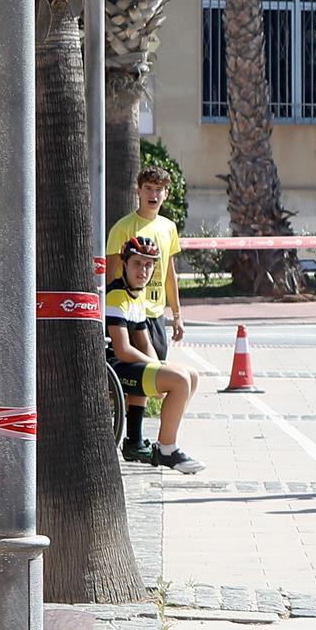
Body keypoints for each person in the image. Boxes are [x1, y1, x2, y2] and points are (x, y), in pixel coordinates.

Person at [106, 231, 205, 474]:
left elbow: (144, 342)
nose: (143, 271)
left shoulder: (136, 295)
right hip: (112, 367)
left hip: (127, 363)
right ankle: (166, 449)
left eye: (148, 265)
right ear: (125, 264)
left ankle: (136, 442)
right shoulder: (116, 295)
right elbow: (123, 349)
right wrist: (158, 368)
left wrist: (158, 365)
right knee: (179, 380)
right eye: (137, 264)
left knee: (191, 375)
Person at [107, 166, 185, 461]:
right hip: (127, 309)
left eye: (159, 190)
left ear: (166, 194)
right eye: (148, 189)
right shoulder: (124, 227)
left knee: (152, 375)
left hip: (153, 312)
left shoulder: (168, 228)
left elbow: (170, 273)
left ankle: (140, 439)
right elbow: (112, 270)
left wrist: (176, 313)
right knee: (140, 375)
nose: (153, 195)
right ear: (138, 192)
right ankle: (137, 438)